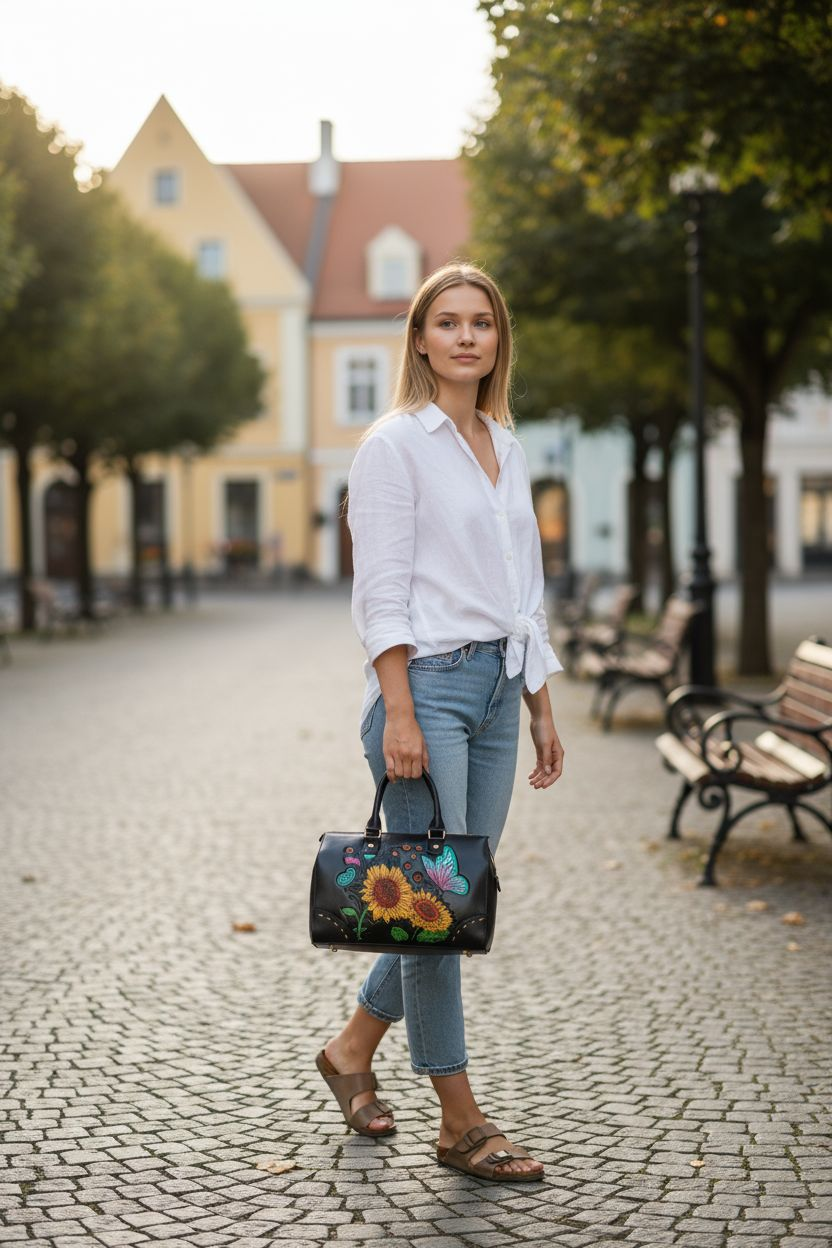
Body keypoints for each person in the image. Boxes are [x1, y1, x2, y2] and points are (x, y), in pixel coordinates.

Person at [316, 262, 565, 1182]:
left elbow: (522, 592)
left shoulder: (506, 441)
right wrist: (402, 712)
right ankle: (459, 1120)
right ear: (420, 340)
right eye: (448, 323)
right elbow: (379, 591)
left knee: (448, 899)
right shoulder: (394, 445)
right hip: (427, 692)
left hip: (501, 688)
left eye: (483, 323)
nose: (467, 337)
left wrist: (540, 703)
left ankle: (350, 1051)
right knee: (431, 905)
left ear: (498, 340)